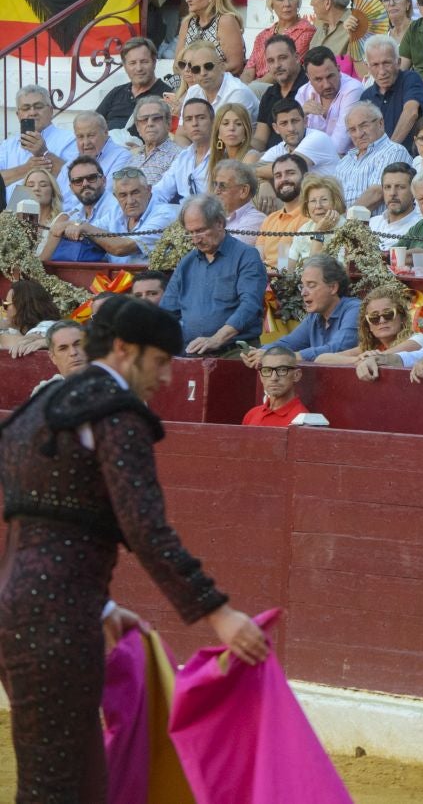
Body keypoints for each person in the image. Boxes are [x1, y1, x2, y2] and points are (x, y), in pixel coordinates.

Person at [0, 297, 269, 801]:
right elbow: (147, 529)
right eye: (161, 361)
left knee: (63, 779)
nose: (167, 377)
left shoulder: (37, 410)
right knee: (62, 787)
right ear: (125, 350)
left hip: (19, 611)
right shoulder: (115, 412)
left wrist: (98, 604)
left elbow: (40, 524)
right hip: (58, 619)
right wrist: (220, 614)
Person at [159, 194, 267, 355]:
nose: (195, 240)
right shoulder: (187, 263)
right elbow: (166, 313)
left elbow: (249, 306)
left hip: (234, 350)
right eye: (190, 233)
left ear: (220, 223)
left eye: (201, 231)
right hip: (192, 350)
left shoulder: (246, 256)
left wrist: (216, 339)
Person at [239, 344, 310, 427]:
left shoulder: (301, 420)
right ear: (261, 376)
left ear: (296, 375)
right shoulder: (252, 414)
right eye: (267, 371)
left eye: (282, 370)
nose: (274, 378)